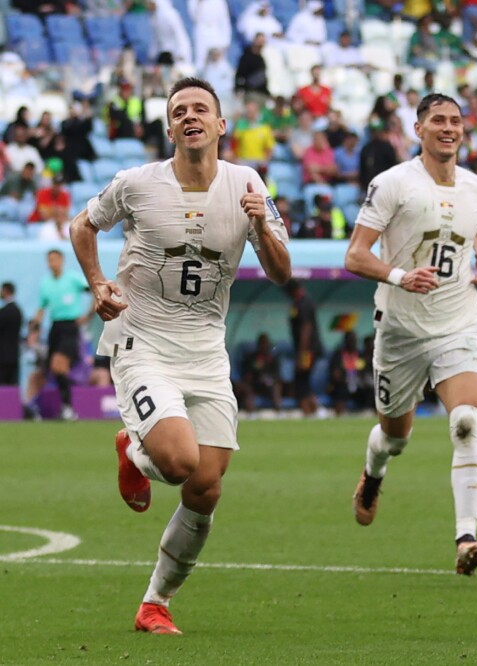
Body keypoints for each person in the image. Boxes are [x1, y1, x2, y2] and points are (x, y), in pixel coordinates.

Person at [69, 77, 290, 635]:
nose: (190, 116)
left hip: (206, 352)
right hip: (142, 340)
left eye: (201, 109)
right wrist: (98, 284)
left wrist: (261, 224)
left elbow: (281, 272)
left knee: (206, 486)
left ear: (221, 125)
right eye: (179, 111)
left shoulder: (248, 184)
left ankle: (155, 602)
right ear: (170, 128)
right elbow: (81, 225)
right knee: (180, 461)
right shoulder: (137, 183)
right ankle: (140, 451)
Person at [344, 93, 477, 576]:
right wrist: (398, 276)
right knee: (396, 436)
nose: (447, 128)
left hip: (458, 322)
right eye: (438, 120)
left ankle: (466, 537)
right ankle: (374, 472)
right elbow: (355, 255)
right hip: (401, 331)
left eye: (455, 120)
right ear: (419, 129)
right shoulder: (392, 184)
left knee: (466, 422)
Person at [31, 249, 92, 421]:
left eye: (56, 259)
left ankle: (69, 408)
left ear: (62, 261)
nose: (53, 263)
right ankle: (65, 407)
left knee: (59, 365)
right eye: (50, 260)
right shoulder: (46, 283)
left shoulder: (72, 278)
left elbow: (93, 290)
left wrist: (89, 314)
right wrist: (34, 327)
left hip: (70, 327)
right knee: (53, 369)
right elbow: (42, 308)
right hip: (55, 327)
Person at [284, 279, 323, 416]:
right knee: (303, 378)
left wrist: (302, 353)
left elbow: (306, 328)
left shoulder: (304, 303)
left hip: (308, 351)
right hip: (306, 350)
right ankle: (312, 410)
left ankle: (310, 410)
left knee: (301, 378)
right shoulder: (299, 302)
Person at [0, 282, 23, 387]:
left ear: (5, 291)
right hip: (14, 354)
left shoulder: (4, 312)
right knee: (13, 387)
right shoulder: (18, 311)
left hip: (3, 356)